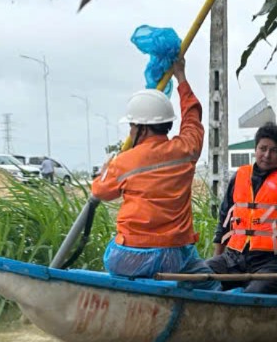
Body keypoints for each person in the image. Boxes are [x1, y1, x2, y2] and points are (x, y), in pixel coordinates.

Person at [91, 58, 214, 284]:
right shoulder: (186, 149)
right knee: (209, 282)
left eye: (132, 126)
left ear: (142, 128)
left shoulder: (123, 162)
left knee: (114, 256)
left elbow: (100, 191)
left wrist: (105, 171)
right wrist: (181, 76)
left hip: (130, 257)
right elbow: (192, 117)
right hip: (173, 256)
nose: (130, 132)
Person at [206, 122, 277, 294]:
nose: (267, 155)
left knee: (253, 294)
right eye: (263, 148)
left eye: (274, 151)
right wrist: (217, 257)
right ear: (255, 149)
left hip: (272, 262)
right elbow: (224, 220)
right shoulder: (239, 176)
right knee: (198, 275)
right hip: (233, 259)